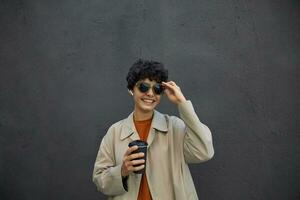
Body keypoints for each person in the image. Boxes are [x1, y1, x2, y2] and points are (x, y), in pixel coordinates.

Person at [92, 59, 214, 200]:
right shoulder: (114, 132)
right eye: (143, 87)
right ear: (131, 89)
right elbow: (99, 179)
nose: (150, 93)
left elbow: (204, 151)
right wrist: (122, 171)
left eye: (157, 89)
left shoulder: (174, 127)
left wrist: (182, 103)